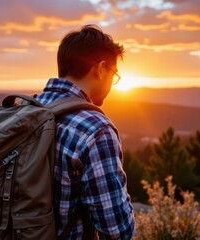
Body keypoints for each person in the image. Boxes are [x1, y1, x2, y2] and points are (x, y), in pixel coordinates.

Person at [35, 24, 135, 239]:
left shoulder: (25, 109)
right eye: (114, 74)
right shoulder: (96, 129)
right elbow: (116, 230)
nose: (112, 83)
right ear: (100, 69)